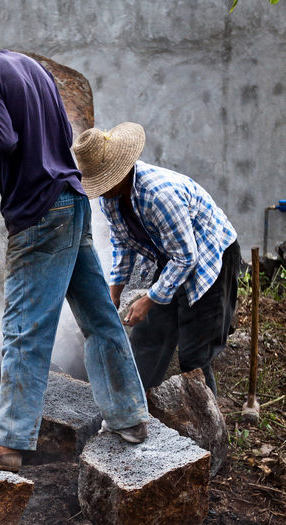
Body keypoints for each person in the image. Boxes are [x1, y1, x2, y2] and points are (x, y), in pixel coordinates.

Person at [0, 6, 149, 472]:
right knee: (100, 315)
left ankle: (10, 441)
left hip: (39, 212)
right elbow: (56, 133)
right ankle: (129, 416)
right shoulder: (26, 65)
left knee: (24, 325)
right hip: (71, 199)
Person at [72, 123, 241, 397]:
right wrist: (113, 292)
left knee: (194, 354)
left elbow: (187, 258)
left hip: (211, 255)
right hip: (173, 254)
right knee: (148, 341)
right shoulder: (111, 198)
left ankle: (204, 425)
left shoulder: (158, 195)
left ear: (120, 172)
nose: (100, 190)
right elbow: (121, 244)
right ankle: (137, 410)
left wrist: (149, 299)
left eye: (103, 181)